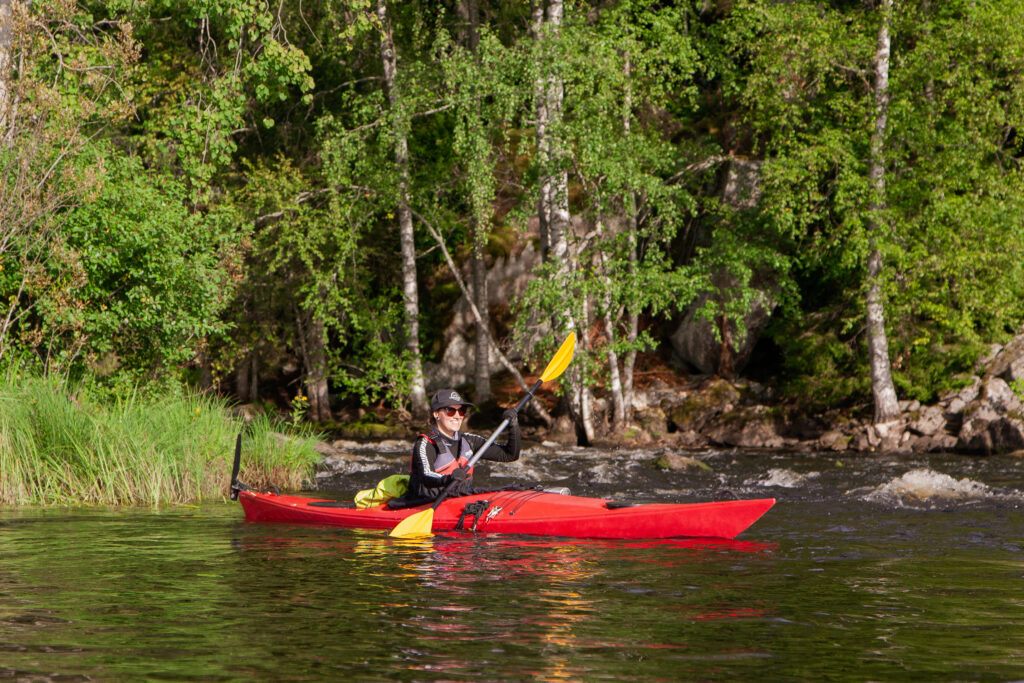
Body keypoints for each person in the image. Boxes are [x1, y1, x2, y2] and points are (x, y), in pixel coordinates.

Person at [405, 388, 521, 503]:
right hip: (426, 503)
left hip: (459, 500)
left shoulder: (470, 441)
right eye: (450, 410)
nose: (457, 416)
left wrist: (513, 426)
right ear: (436, 414)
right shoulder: (425, 444)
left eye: (461, 411)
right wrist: (450, 478)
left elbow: (510, 455)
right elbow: (426, 476)